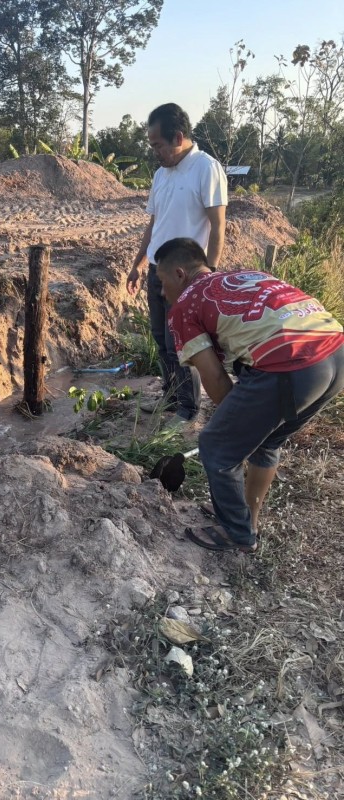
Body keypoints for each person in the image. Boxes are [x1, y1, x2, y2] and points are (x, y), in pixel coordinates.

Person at [153, 237, 344, 553]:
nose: (162, 292)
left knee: (216, 445)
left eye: (162, 282)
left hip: (291, 363)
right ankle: (248, 522)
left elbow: (214, 377)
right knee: (266, 441)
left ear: (179, 274)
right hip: (335, 350)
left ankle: (237, 535)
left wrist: (231, 427)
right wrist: (244, 424)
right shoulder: (245, 275)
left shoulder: (185, 304)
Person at [126, 103, 228, 427]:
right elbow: (154, 223)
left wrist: (207, 277)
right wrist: (138, 263)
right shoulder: (161, 174)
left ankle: (188, 409)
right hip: (159, 271)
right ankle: (170, 397)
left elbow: (218, 226)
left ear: (178, 138)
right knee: (161, 339)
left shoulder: (206, 168)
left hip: (187, 278)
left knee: (181, 345)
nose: (155, 151)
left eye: (158, 145)